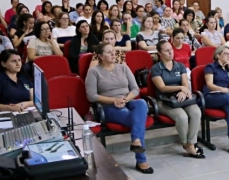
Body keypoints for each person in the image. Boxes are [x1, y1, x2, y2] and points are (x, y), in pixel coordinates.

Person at [86, 43, 153, 173]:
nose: (113, 54)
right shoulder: (94, 72)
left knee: (142, 104)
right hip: (108, 105)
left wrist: (126, 99)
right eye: (109, 52)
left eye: (114, 51)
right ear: (100, 56)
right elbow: (92, 96)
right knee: (136, 119)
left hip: (127, 100)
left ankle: (137, 140)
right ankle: (141, 159)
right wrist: (114, 100)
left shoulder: (123, 68)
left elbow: (135, 89)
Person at [151, 40, 204, 158]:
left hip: (182, 97)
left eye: (171, 49)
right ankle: (186, 144)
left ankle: (191, 143)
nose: (170, 52)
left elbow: (186, 84)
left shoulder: (179, 66)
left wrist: (183, 91)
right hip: (164, 100)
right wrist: (180, 88)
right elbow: (162, 88)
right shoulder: (156, 68)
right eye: (166, 50)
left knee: (196, 112)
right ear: (159, 53)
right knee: (182, 116)